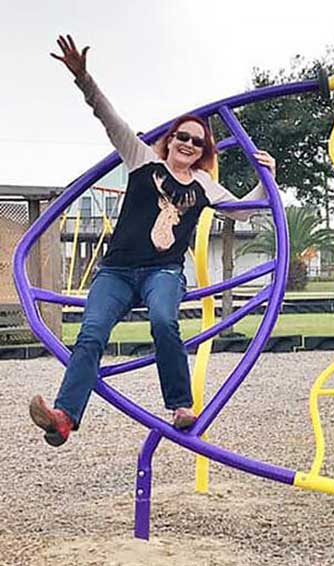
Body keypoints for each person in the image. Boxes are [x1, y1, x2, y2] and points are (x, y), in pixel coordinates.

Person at [28, 35, 279, 446]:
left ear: (202, 151)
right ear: (171, 138)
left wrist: (266, 178)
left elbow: (245, 211)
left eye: (197, 142)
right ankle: (64, 418)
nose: (188, 144)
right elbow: (108, 118)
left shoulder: (202, 184)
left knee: (164, 321)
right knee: (91, 332)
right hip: (117, 271)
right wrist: (83, 77)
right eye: (182, 136)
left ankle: (180, 404)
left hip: (162, 271)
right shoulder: (142, 160)